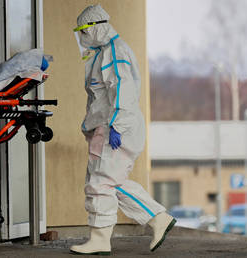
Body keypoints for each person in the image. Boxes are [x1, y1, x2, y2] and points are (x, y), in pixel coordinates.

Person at [70, 5, 176, 255]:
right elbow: (98, 97)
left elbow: (123, 93)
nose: (82, 37)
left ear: (96, 26)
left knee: (103, 182)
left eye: (84, 31)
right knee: (104, 182)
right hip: (105, 127)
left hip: (117, 127)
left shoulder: (115, 53)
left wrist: (117, 126)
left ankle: (147, 221)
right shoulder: (102, 53)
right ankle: (145, 222)